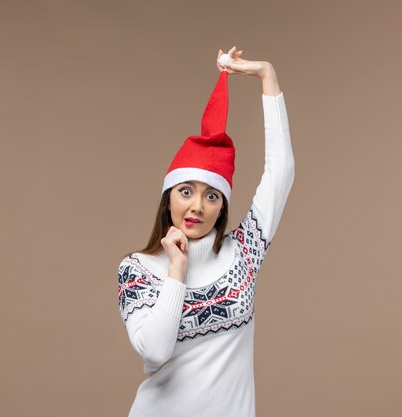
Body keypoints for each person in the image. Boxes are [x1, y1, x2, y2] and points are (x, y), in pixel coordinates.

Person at [116, 46, 295, 417]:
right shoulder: (136, 270)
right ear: (168, 200)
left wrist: (267, 76)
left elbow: (281, 172)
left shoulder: (243, 252)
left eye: (211, 195)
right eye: (186, 192)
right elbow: (155, 350)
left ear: (222, 206)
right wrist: (176, 268)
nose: (197, 205)